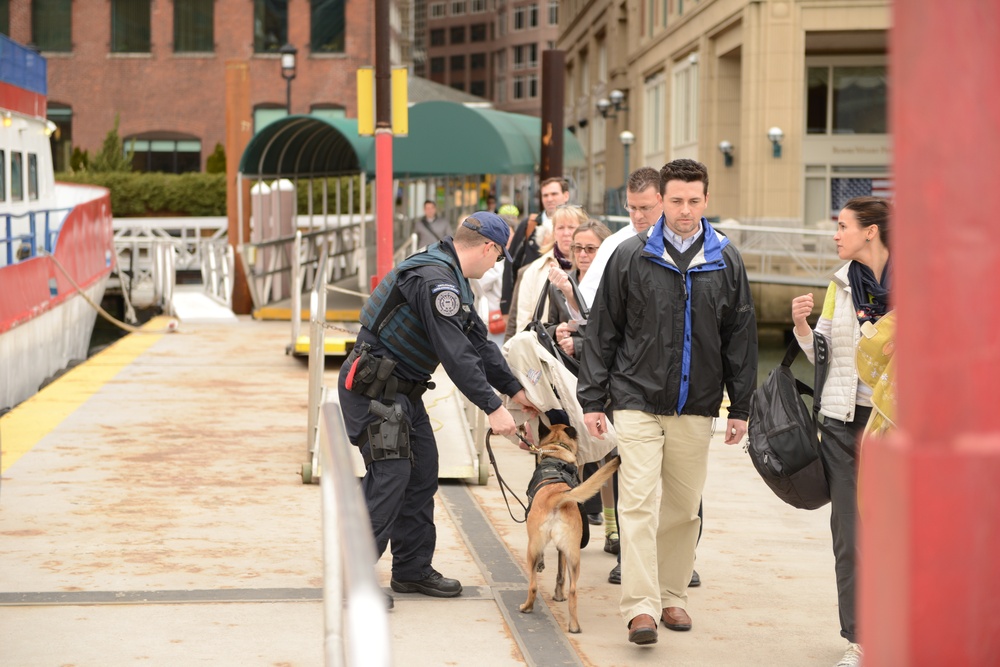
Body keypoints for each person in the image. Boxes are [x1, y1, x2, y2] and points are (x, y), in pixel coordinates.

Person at [577, 159, 757, 646]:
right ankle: (640, 608)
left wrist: (741, 407)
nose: (684, 210)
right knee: (637, 503)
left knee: (683, 509)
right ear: (664, 200)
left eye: (693, 200)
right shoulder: (631, 255)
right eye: (676, 200)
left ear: (706, 200)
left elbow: (739, 337)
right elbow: (603, 331)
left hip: (696, 404)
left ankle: (673, 594)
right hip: (636, 398)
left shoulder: (726, 259)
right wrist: (593, 398)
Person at [338, 211, 539, 608]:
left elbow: (479, 344)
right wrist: (491, 408)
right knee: (390, 477)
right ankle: (355, 580)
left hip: (402, 394)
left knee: (421, 471)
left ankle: (411, 569)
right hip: (375, 393)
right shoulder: (435, 281)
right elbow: (456, 353)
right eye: (499, 258)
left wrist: (515, 391)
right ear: (488, 247)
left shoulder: (452, 279)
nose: (496, 265)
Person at [790, 196, 891, 667]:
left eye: (844, 226)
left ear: (870, 231)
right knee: (849, 536)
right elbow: (823, 359)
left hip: (893, 428)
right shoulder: (839, 285)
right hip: (842, 424)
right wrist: (801, 327)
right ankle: (860, 641)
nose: (836, 234)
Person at [577, 167, 663, 310]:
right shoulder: (613, 244)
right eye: (632, 208)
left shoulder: (680, 240)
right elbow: (586, 299)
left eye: (645, 208)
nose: (637, 216)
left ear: (661, 200)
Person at [505, 203, 586, 340]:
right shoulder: (533, 270)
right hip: (543, 353)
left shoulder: (595, 267)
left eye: (571, 227)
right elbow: (522, 323)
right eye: (560, 227)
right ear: (554, 232)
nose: (566, 233)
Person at [500, 177, 571, 317]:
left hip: (566, 304)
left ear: (566, 196)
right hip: (530, 302)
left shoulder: (577, 225)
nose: (549, 199)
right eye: (545, 195)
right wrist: (506, 307)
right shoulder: (529, 225)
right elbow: (511, 263)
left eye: (554, 194)